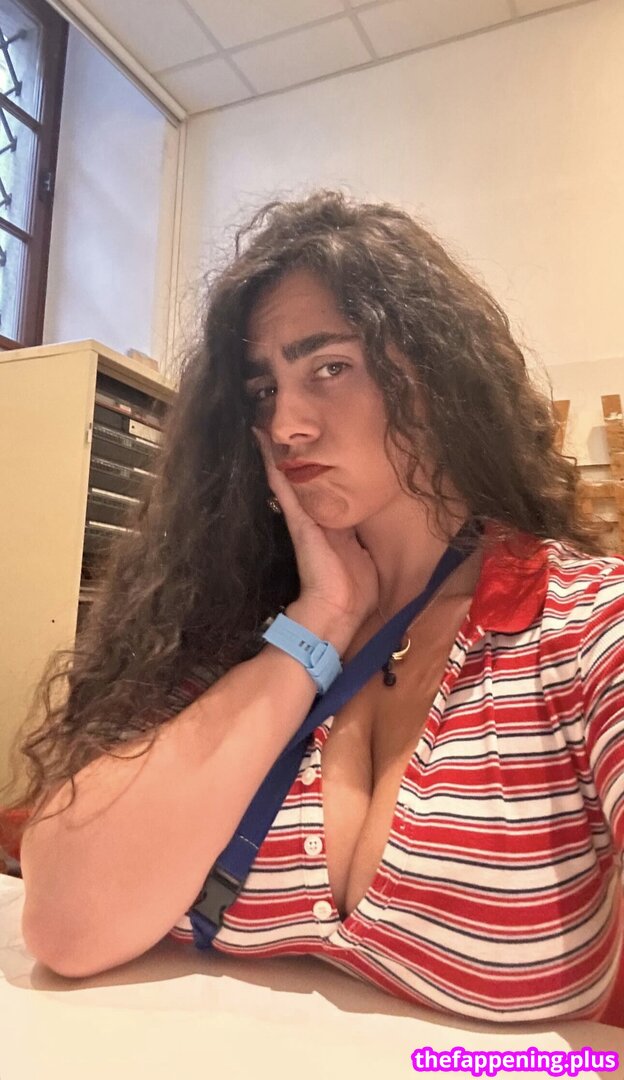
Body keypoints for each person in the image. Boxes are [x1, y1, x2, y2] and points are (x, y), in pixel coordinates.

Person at [5, 191, 624, 1028]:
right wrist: (317, 624)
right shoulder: (228, 621)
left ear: (437, 376)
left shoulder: (585, 628)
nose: (287, 424)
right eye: (263, 390)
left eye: (329, 367)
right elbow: (66, 921)